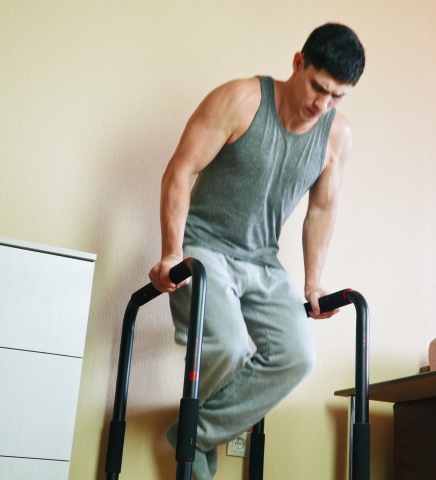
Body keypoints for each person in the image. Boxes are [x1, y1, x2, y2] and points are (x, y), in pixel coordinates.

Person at [148, 22, 365, 479]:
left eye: (336, 97)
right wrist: (171, 253)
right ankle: (196, 443)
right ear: (298, 63)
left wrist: (312, 283)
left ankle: (192, 435)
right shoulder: (241, 100)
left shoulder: (335, 136)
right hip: (205, 248)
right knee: (226, 346)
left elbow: (322, 209)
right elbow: (181, 171)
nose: (322, 105)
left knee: (298, 356)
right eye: (318, 88)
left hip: (263, 261)